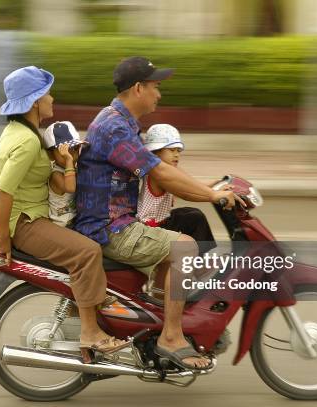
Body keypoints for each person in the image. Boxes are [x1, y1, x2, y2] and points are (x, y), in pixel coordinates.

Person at [75, 56, 245, 370]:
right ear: (138, 88)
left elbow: (163, 171)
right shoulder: (114, 127)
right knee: (186, 247)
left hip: (118, 220)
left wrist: (211, 188)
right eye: (155, 87)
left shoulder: (123, 122)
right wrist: (211, 195)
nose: (159, 94)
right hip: (109, 227)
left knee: (186, 226)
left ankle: (163, 311)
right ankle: (171, 336)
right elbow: (161, 174)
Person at [0, 66, 128, 356]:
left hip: (26, 218)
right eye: (47, 93)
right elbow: (2, 192)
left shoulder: (21, 131)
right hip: (24, 223)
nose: (52, 98)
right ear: (34, 102)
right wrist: (4, 236)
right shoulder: (27, 141)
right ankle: (90, 334)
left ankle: (86, 316)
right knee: (87, 251)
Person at [138, 123, 219, 254]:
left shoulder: (170, 170)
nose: (176, 155)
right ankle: (199, 265)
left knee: (194, 216)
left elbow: (191, 184)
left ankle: (200, 258)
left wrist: (217, 184)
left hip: (163, 221)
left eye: (178, 151)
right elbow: (186, 192)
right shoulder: (157, 175)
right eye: (171, 150)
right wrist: (213, 195)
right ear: (156, 153)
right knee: (194, 218)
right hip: (151, 230)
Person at [41, 121, 86, 227]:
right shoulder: (56, 175)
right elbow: (70, 187)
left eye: (74, 148)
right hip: (60, 225)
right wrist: (69, 160)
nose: (71, 154)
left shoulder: (71, 169)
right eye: (64, 152)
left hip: (73, 222)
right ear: (51, 155)